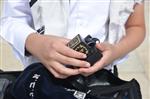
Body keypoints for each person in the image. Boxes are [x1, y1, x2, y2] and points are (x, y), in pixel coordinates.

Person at [0, 0, 145, 79]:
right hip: (41, 77)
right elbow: (11, 19)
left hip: (102, 78)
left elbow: (136, 26)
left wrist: (115, 51)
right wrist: (35, 42)